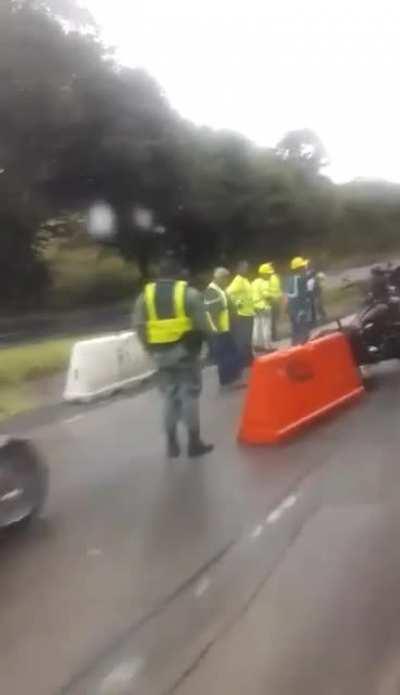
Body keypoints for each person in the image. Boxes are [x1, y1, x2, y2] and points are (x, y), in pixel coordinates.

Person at [134, 257, 213, 459]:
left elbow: (139, 326)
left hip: (160, 354)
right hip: (186, 354)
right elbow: (204, 326)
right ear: (178, 274)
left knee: (169, 396)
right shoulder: (189, 295)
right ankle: (194, 442)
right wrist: (204, 346)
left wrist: (150, 349)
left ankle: (171, 444)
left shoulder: (145, 297)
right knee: (188, 395)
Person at [204, 267, 243, 388]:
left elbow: (225, 307)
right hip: (220, 331)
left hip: (226, 328)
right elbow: (212, 313)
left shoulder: (219, 289)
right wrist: (216, 330)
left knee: (230, 354)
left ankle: (231, 379)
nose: (227, 281)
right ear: (219, 278)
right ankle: (229, 380)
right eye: (225, 278)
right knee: (226, 356)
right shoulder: (212, 291)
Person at [226, 261, 255, 368]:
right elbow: (228, 293)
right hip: (242, 315)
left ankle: (248, 360)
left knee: (247, 339)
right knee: (242, 340)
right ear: (238, 269)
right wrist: (237, 304)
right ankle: (241, 363)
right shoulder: (238, 280)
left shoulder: (245, 280)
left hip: (248, 313)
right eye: (243, 268)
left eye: (247, 268)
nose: (246, 270)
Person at [286, 257, 311, 345]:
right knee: (303, 334)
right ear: (299, 268)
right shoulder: (300, 280)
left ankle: (294, 349)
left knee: (295, 333)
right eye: (303, 267)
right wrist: (301, 311)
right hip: (300, 310)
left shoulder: (290, 279)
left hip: (292, 310)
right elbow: (302, 296)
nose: (304, 268)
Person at [251, 264, 272, 352]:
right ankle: (267, 346)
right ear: (263, 274)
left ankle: (257, 345)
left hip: (255, 307)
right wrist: (272, 298)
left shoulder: (254, 282)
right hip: (264, 307)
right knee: (266, 327)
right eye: (268, 273)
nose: (269, 275)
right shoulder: (265, 282)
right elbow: (266, 295)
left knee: (256, 327)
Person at [264, 262, 282, 341]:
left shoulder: (271, 277)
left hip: (274, 300)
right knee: (273, 319)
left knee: (273, 319)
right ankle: (274, 336)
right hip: (275, 300)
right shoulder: (275, 277)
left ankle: (273, 335)